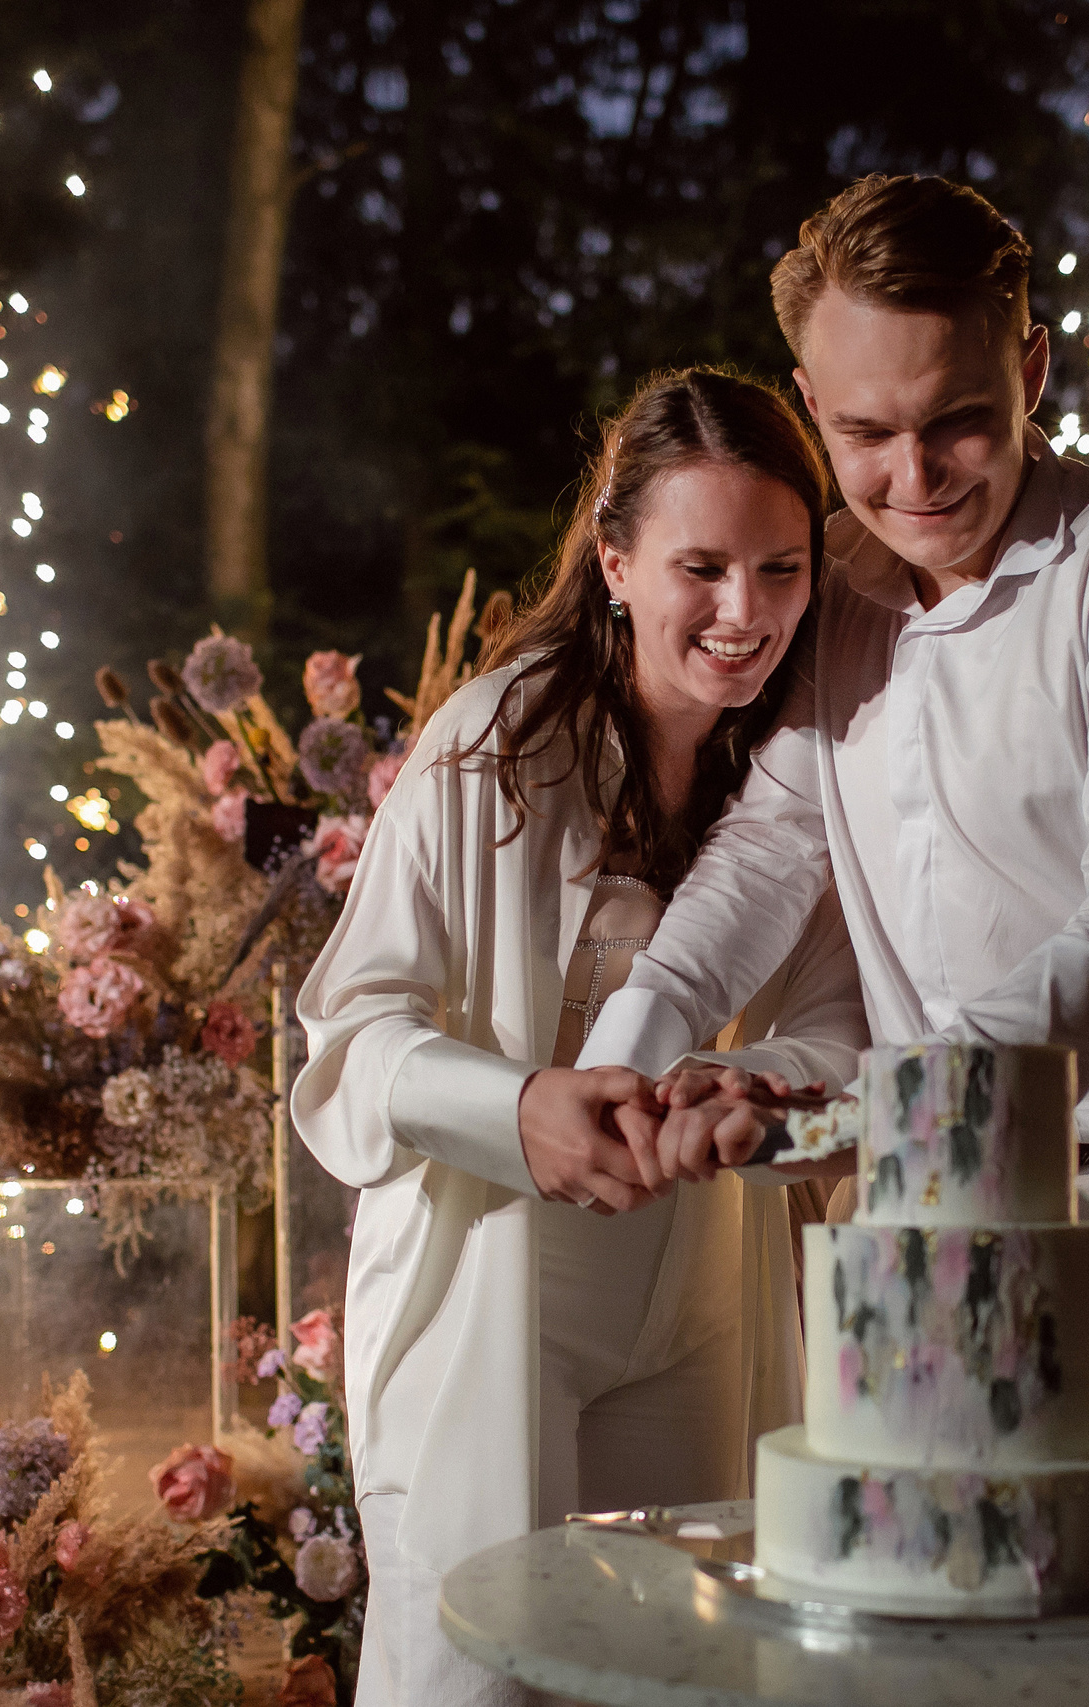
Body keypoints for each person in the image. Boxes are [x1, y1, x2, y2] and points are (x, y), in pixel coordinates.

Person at [576, 175, 1089, 1502]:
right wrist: (628, 1058)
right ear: (809, 404)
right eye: (866, 433)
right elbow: (769, 850)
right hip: (920, 1200)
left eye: (957, 420)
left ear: (1031, 370)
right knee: (920, 1605)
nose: (914, 479)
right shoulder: (833, 583)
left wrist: (880, 1106)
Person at [293, 367, 865, 1707]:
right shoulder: (491, 746)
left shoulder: (808, 766)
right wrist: (515, 1108)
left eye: (781, 570)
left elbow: (839, 1015)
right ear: (614, 563)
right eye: (701, 568)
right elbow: (349, 1038)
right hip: (495, 1297)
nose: (745, 614)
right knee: (475, 1677)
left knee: (696, 1672)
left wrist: (749, 1086)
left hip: (708, 1293)